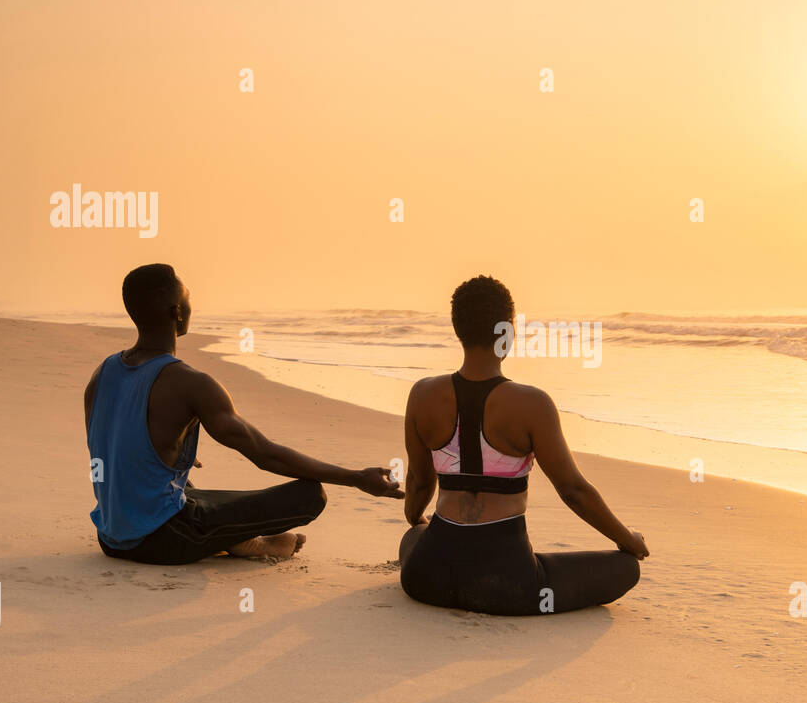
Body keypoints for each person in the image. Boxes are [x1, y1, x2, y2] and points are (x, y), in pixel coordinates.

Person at [84, 263, 402, 565]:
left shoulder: (103, 373)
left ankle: (233, 538)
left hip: (109, 536)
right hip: (163, 540)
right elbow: (265, 455)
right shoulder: (191, 383)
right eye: (188, 299)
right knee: (309, 494)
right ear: (177, 313)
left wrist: (168, 448)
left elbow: (109, 451)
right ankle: (244, 540)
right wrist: (355, 478)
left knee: (177, 480)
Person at [398, 276, 647, 615]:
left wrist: (416, 517)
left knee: (414, 539)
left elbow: (419, 483)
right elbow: (573, 490)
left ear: (458, 330)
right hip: (509, 584)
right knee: (626, 568)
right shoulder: (532, 404)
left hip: (426, 579)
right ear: (507, 332)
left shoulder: (422, 394)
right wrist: (627, 540)